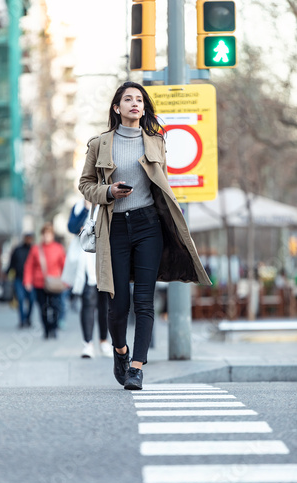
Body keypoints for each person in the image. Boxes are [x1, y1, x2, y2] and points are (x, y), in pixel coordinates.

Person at [79, 81, 211, 390]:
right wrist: (108, 191)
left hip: (149, 225)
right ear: (117, 107)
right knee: (117, 304)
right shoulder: (99, 143)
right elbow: (85, 184)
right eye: (128, 99)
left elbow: (160, 183)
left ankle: (137, 368)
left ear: (143, 107)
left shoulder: (155, 141)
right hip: (115, 227)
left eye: (139, 99)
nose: (134, 103)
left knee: (144, 300)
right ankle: (120, 351)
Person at [62, 199, 112, 358]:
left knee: (105, 304)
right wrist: (85, 208)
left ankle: (104, 341)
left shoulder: (108, 204)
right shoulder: (78, 207)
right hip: (85, 263)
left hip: (104, 259)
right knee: (88, 302)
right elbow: (72, 227)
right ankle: (87, 344)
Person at [23, 223, 66, 339]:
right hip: (39, 283)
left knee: (56, 307)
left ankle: (54, 327)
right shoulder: (36, 249)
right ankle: (46, 329)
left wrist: (66, 281)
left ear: (52, 235)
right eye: (45, 234)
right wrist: (27, 281)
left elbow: (64, 265)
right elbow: (29, 266)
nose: (46, 236)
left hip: (55, 283)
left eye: (49, 234)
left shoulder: (58, 248)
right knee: (43, 308)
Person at [4, 233, 35, 328]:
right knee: (20, 299)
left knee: (31, 300)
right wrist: (6, 273)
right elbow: (12, 264)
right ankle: (22, 320)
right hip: (19, 279)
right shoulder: (17, 250)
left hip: (31, 280)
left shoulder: (34, 250)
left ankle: (28, 319)